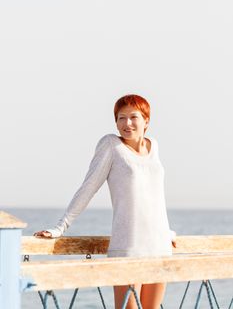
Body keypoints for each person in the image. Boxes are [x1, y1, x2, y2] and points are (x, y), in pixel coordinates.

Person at [34, 94, 177, 309]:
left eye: (133, 117)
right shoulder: (111, 145)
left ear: (146, 120)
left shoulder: (153, 146)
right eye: (121, 118)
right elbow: (88, 187)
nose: (126, 124)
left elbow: (155, 196)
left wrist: (166, 231)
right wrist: (60, 227)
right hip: (129, 247)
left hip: (160, 245)